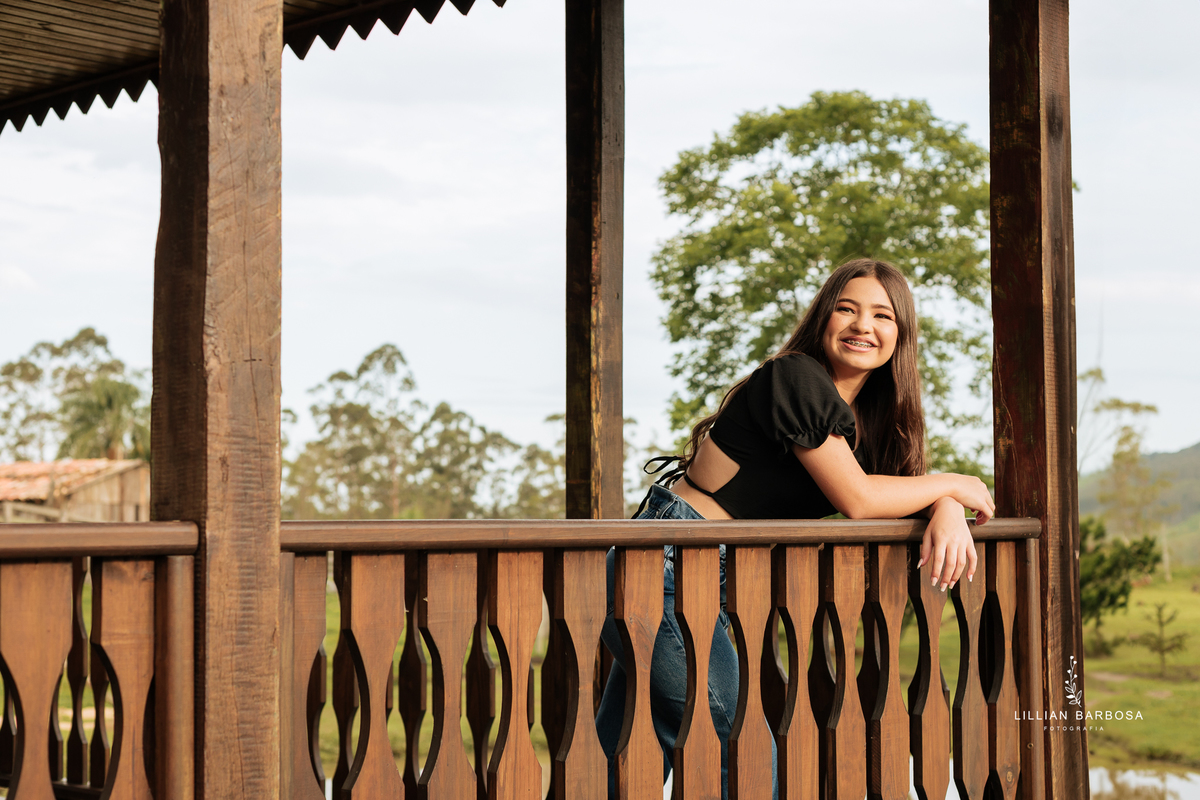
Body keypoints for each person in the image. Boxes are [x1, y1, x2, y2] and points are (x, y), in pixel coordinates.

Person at [594, 258, 995, 799]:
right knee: (748, 757)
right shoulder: (796, 378)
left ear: (900, 336)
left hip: (694, 581)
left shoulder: (859, 424)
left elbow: (888, 495)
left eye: (882, 316)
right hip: (662, 569)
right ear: (823, 317)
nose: (862, 326)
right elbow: (860, 500)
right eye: (846, 309)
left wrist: (944, 503)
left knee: (614, 764)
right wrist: (955, 484)